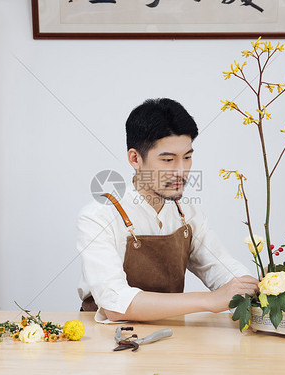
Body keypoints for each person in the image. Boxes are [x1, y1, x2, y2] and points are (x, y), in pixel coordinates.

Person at [77, 98, 259, 322]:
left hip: (171, 337)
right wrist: (209, 301)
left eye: (188, 157)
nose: (181, 171)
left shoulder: (188, 214)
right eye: (168, 160)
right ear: (135, 158)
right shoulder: (98, 216)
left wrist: (255, 288)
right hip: (106, 343)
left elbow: (221, 267)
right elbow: (115, 303)